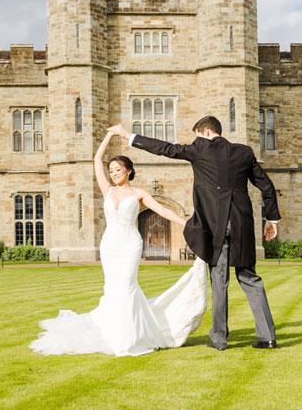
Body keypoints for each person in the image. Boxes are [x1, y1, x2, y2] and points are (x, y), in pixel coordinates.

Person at [30, 127, 208, 356]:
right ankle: (114, 332)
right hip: (109, 245)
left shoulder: (139, 194)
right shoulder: (107, 191)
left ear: (128, 171)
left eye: (117, 169)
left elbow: (163, 211)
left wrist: (186, 224)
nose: (113, 173)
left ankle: (130, 337)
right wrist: (110, 135)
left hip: (130, 245)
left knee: (127, 286)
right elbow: (96, 159)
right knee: (113, 289)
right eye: (111, 170)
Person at [115, 115, 281, 350]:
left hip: (216, 226)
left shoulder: (199, 149)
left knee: (219, 281)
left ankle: (219, 338)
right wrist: (272, 219)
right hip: (242, 226)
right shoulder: (244, 152)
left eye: (196, 136)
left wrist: (128, 136)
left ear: (204, 133)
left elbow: (165, 149)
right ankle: (268, 336)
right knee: (250, 278)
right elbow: (266, 185)